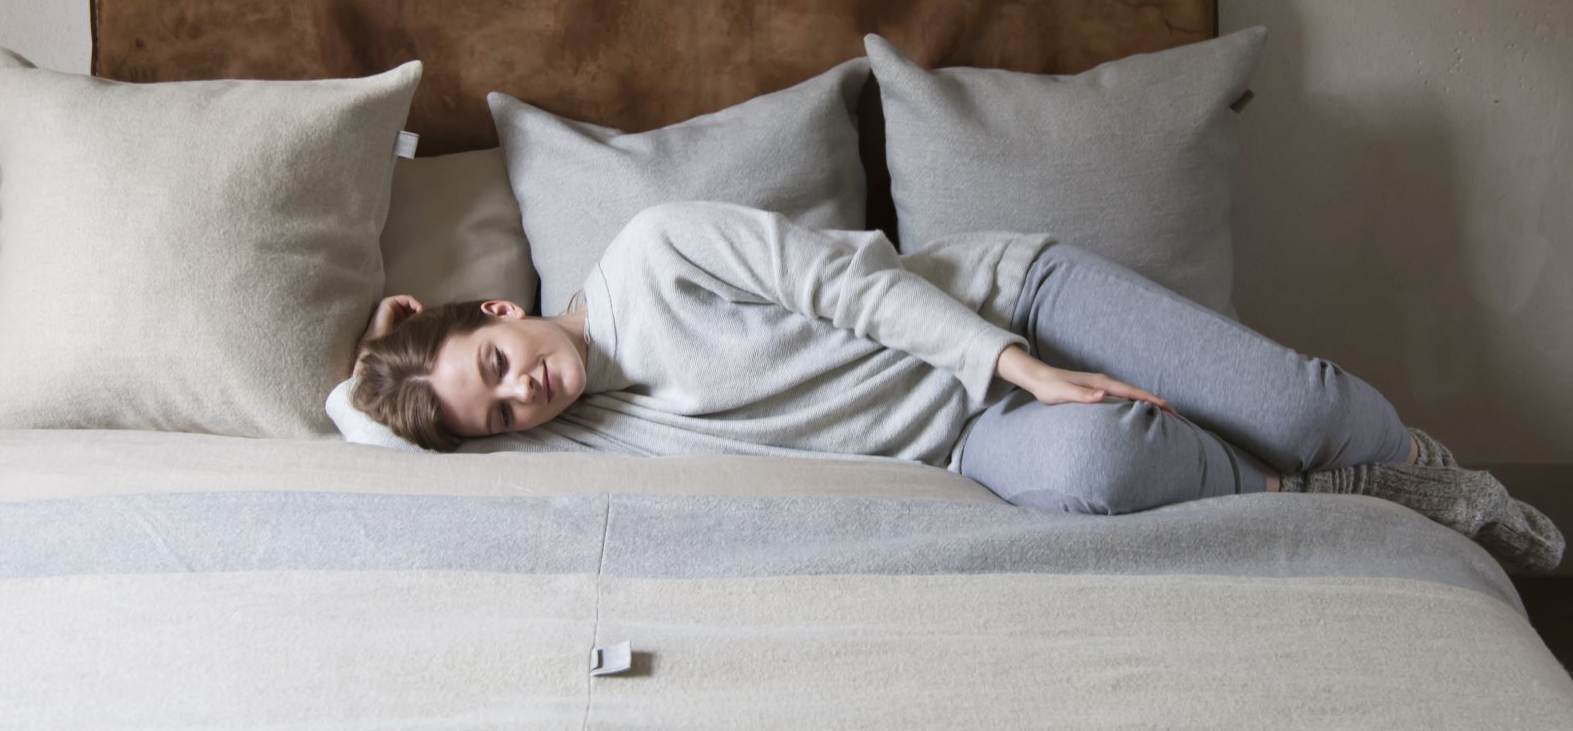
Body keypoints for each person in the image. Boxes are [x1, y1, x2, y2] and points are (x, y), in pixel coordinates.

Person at [350, 199, 1563, 575]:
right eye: (500, 415)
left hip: (1002, 307)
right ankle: (1326, 494)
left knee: (1293, 398)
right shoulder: (593, 440)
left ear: (500, 310)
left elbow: (857, 294)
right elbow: (363, 431)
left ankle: (1409, 468)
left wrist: (1024, 362)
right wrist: (389, 352)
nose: (526, 397)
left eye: (499, 366)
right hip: (965, 440)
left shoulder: (654, 250)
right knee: (1105, 464)